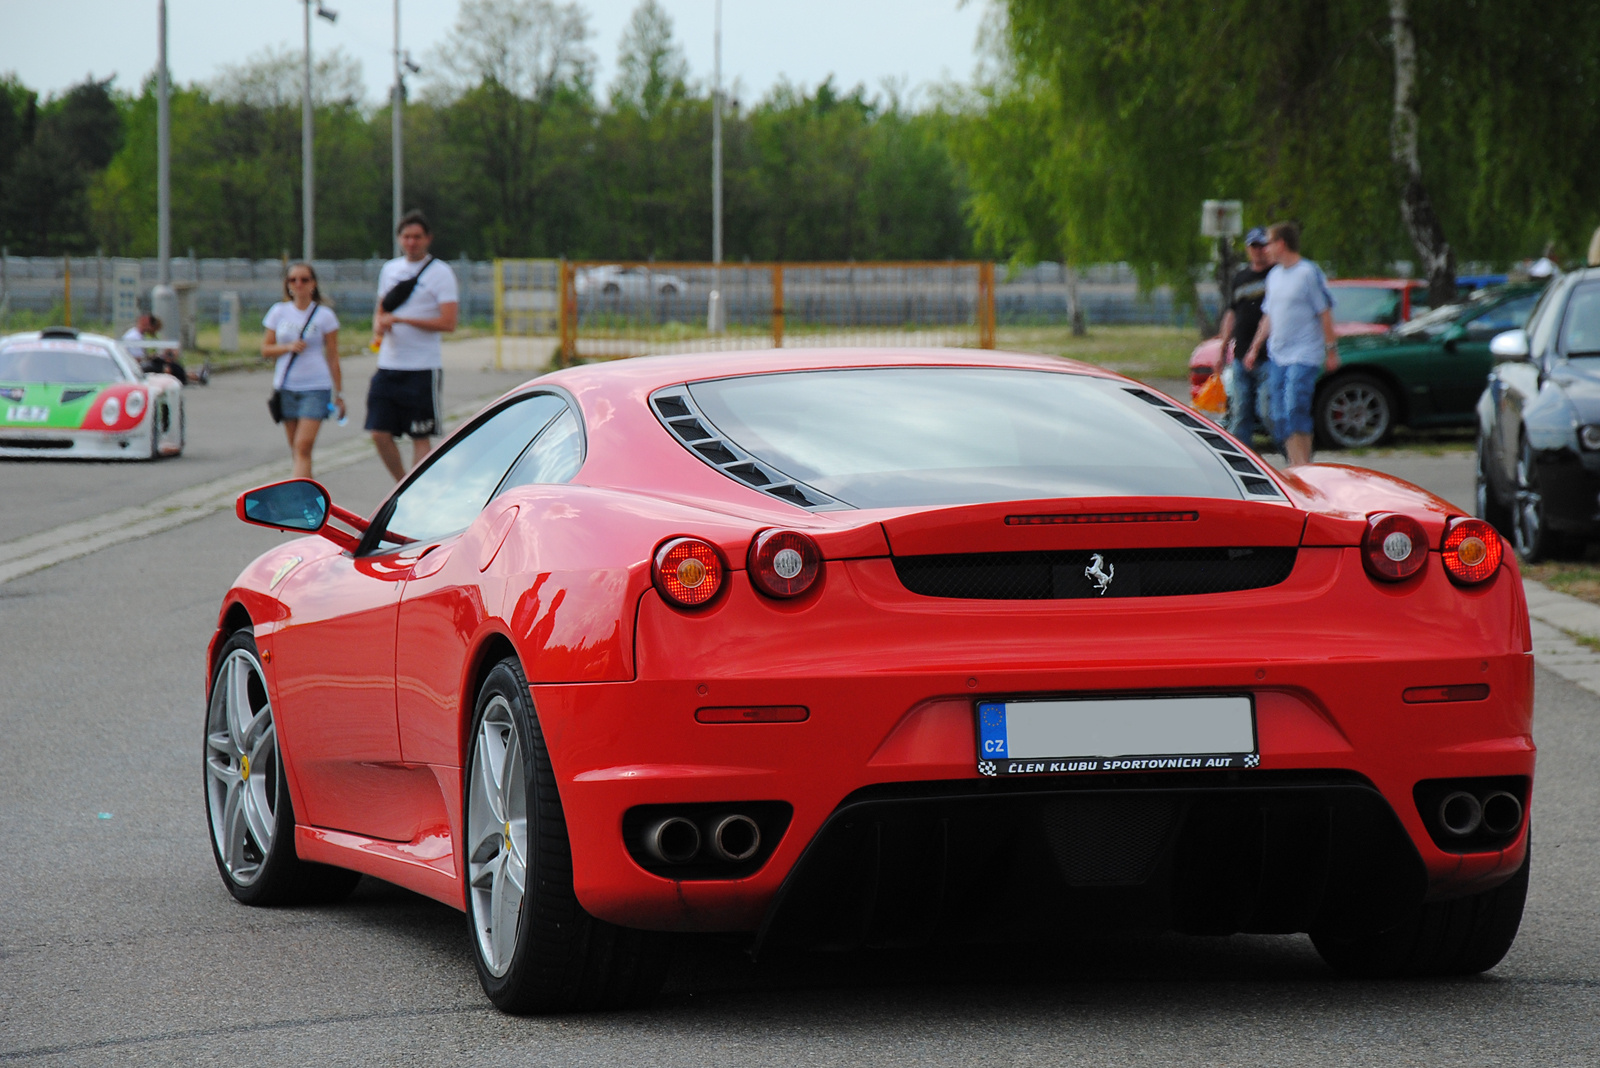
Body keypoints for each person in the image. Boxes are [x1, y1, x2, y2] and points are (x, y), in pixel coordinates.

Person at [367, 209, 459, 481]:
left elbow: (448, 322)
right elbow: (381, 308)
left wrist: (404, 320)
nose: (411, 242)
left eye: (417, 237)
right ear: (399, 239)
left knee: (420, 434)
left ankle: (416, 489)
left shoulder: (441, 273)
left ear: (428, 239)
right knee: (378, 432)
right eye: (406, 237)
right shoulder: (390, 269)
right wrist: (379, 325)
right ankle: (401, 485)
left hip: (422, 367)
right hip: (389, 364)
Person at [1243, 221, 1337, 467]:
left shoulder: (1307, 272)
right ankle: (1296, 463)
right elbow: (1268, 316)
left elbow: (1324, 311)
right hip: (1278, 355)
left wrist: (1331, 349)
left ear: (1281, 244)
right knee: (1277, 413)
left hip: (1304, 354)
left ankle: (1303, 465)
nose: (1266, 249)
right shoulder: (1274, 276)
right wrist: (1254, 347)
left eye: (1269, 243)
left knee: (1296, 406)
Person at [262, 262, 344, 479]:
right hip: (286, 386)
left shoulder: (324, 315)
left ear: (313, 284)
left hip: (316, 386)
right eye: (293, 280)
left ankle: (300, 499)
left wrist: (340, 393)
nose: (298, 284)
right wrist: (287, 347)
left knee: (303, 446)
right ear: (287, 285)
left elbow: (333, 356)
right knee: (296, 450)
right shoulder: (278, 312)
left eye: (304, 279)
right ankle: (308, 493)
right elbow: (266, 349)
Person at [1217, 227, 1273, 444]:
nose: (1258, 251)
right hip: (1241, 354)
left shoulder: (1275, 275)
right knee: (1240, 410)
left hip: (1269, 355)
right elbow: (1231, 313)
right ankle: (1242, 456)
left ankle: (1292, 454)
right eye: (1254, 246)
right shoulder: (1240, 278)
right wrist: (1223, 347)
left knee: (1267, 410)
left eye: (1262, 246)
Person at [122, 314, 209, 385]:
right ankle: (194, 377)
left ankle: (195, 376)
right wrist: (151, 358)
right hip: (134, 367)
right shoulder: (135, 337)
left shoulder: (139, 335)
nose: (154, 333)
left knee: (168, 364)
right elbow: (137, 359)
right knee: (168, 366)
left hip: (138, 364)